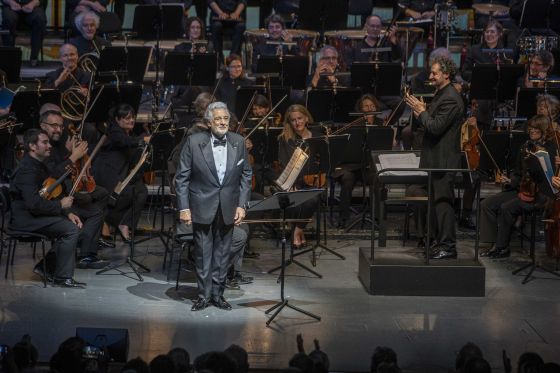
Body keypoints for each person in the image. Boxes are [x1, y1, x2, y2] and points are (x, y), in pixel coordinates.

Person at [175, 101, 252, 311]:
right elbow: (181, 178)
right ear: (209, 121)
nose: (222, 122)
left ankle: (218, 295)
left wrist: (242, 205)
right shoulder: (193, 142)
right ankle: (203, 295)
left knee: (222, 254)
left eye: (225, 118)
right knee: (203, 253)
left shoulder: (238, 141)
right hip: (201, 205)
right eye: (217, 118)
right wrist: (184, 208)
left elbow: (246, 174)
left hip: (228, 206)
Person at [404, 55, 465, 259]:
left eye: (435, 72)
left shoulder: (450, 98)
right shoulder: (441, 93)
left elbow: (435, 127)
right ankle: (441, 242)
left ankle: (448, 246)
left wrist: (422, 112)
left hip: (444, 160)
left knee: (443, 202)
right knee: (437, 202)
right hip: (436, 159)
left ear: (446, 74)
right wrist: (419, 112)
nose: (430, 75)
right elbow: (430, 123)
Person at [9, 129, 86, 287]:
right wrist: (60, 205)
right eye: (45, 142)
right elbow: (34, 204)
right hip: (25, 220)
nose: (49, 145)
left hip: (32, 215)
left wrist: (67, 212)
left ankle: (46, 268)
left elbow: (48, 192)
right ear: (32, 146)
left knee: (73, 223)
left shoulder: (38, 165)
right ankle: (62, 277)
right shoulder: (26, 171)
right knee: (70, 230)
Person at [39, 109, 111, 268]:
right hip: (53, 200)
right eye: (54, 125)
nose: (58, 129)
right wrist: (73, 155)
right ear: (43, 126)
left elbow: (66, 167)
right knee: (92, 207)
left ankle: (88, 245)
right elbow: (52, 176)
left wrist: (70, 152)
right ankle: (85, 246)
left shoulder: (58, 142)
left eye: (60, 126)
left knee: (101, 195)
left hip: (64, 194)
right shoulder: (42, 145)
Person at [480, 115, 558, 258]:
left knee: (506, 207)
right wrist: (509, 180)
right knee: (486, 204)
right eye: (531, 128)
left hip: (539, 194)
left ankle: (502, 247)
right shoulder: (525, 146)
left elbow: (547, 177)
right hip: (521, 189)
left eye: (536, 128)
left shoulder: (551, 149)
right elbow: (518, 172)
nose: (532, 131)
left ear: (544, 130)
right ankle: (490, 244)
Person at [92, 104, 150, 242]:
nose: (131, 121)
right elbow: (125, 142)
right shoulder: (113, 131)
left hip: (120, 174)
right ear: (117, 120)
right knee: (132, 193)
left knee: (142, 190)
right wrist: (144, 139)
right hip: (108, 176)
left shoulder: (127, 133)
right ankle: (110, 220)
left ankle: (124, 223)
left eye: (132, 118)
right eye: (127, 118)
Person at [277, 104, 320, 247]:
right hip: (292, 182)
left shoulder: (318, 136)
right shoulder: (285, 139)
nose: (297, 122)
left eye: (300, 118)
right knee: (294, 199)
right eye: (293, 120)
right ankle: (299, 232)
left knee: (312, 199)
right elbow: (283, 164)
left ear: (306, 118)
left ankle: (297, 231)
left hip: (314, 181)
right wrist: (291, 185)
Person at [1, 0, 47, 66]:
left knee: (39, 19)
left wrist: (33, 4)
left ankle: (34, 58)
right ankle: (9, 57)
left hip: (33, 6)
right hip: (11, 5)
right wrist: (10, 2)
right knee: (8, 19)